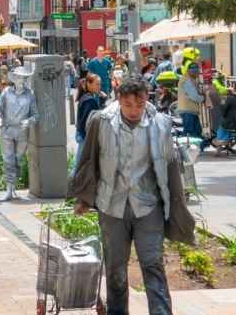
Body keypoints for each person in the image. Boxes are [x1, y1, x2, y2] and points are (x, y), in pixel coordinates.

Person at [71, 77, 194, 315]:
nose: (134, 111)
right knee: (115, 270)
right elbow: (89, 160)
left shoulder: (160, 124)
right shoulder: (101, 121)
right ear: (119, 101)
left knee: (153, 265)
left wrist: (177, 203)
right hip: (111, 205)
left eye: (139, 105)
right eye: (128, 105)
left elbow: (170, 166)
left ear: (146, 99)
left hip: (147, 206)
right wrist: (84, 198)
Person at [0, 65, 38, 202]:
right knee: (8, 159)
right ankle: (8, 189)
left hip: (22, 132)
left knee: (18, 160)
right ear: (14, 79)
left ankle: (13, 188)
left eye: (24, 78)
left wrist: (29, 121)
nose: (21, 80)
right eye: (19, 77)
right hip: (7, 130)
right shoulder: (7, 92)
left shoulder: (30, 94)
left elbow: (36, 115)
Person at [175, 63, 207, 150]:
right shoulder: (186, 80)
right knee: (190, 132)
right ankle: (187, 151)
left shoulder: (192, 80)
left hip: (191, 110)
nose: (197, 73)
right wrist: (203, 98)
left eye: (197, 71)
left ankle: (196, 148)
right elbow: (194, 96)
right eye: (195, 71)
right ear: (189, 71)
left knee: (196, 131)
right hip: (187, 110)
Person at [74, 71, 107, 151]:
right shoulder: (89, 100)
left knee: (81, 160)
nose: (99, 87)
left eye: (100, 84)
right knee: (81, 161)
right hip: (84, 136)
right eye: (97, 84)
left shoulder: (86, 97)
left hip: (81, 134)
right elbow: (93, 118)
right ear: (89, 84)